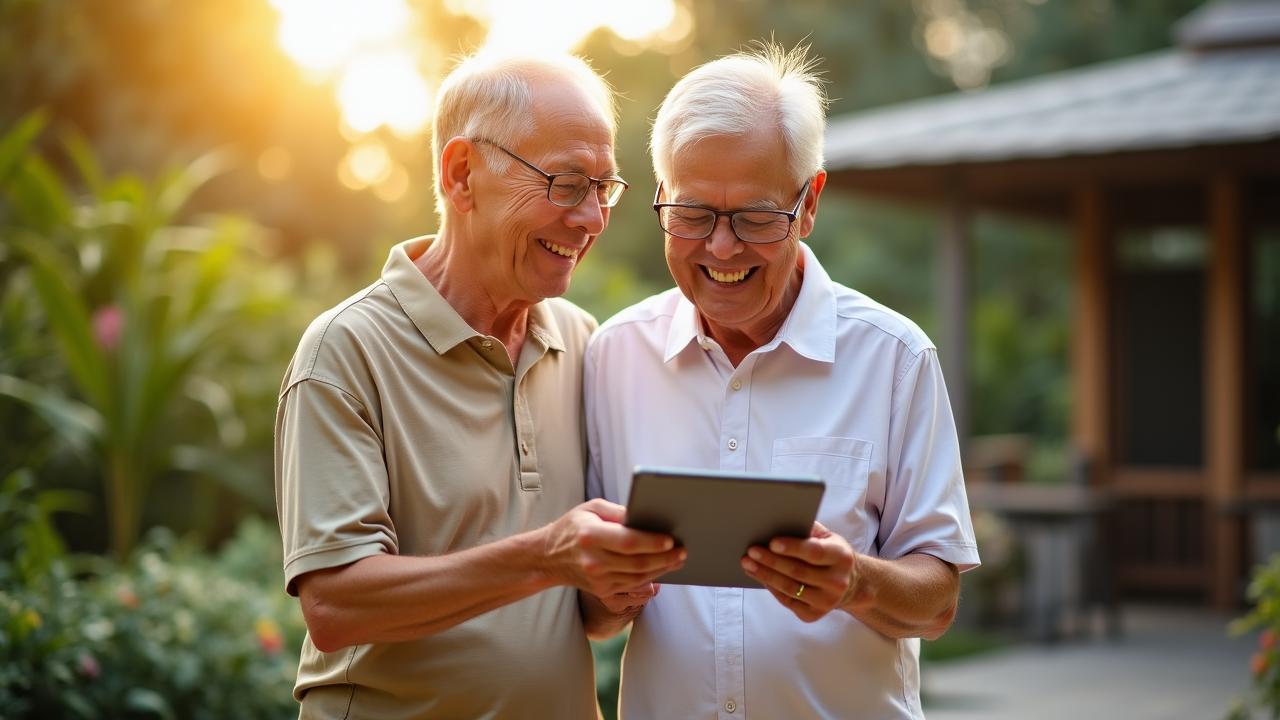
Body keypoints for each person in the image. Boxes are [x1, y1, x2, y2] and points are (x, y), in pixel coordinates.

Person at [274, 51, 684, 719]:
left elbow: (589, 616)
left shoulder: (582, 341)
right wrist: (549, 555)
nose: (591, 219)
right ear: (462, 175)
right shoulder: (346, 351)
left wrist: (618, 582)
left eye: (603, 188)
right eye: (566, 182)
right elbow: (336, 605)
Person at [582, 42, 981, 719]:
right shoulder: (612, 357)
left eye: (756, 217)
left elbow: (937, 602)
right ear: (659, 199)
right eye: (693, 214)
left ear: (811, 201)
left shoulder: (894, 358)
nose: (722, 248)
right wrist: (605, 589)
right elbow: (593, 617)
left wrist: (855, 580)